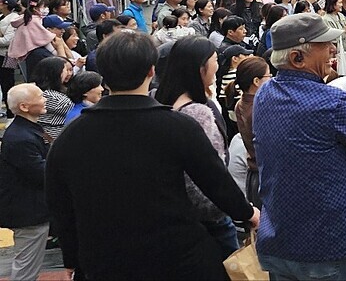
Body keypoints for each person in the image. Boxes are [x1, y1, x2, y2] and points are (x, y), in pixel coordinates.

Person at [46, 30, 257, 280]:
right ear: (151, 71)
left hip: (105, 258)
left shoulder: (71, 136)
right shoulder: (178, 126)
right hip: (177, 255)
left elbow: (61, 204)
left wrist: (71, 257)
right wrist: (248, 213)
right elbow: (216, 183)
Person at [254, 13, 346, 280]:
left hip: (279, 237)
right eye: (324, 46)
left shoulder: (264, 94)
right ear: (297, 58)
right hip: (332, 244)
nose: (332, 50)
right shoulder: (332, 101)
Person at [155, 36, 241, 258]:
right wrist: (237, 209)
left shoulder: (159, 100)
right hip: (210, 217)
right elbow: (209, 171)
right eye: (214, 60)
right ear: (200, 67)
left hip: (173, 214)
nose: (217, 65)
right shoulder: (197, 112)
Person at [0, 84, 52, 281]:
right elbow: (41, 172)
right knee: (26, 269)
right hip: (28, 212)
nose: (45, 99)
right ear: (24, 106)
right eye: (39, 96)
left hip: (30, 208)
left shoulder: (26, 130)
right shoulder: (21, 138)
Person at [226, 55, 270, 204]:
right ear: (256, 82)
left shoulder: (240, 103)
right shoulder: (260, 108)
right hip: (265, 176)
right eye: (268, 76)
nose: (271, 79)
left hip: (253, 175)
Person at [30, 56, 73, 141]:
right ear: (56, 72)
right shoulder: (54, 98)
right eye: (65, 70)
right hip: (55, 139)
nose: (68, 73)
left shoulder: (36, 89)